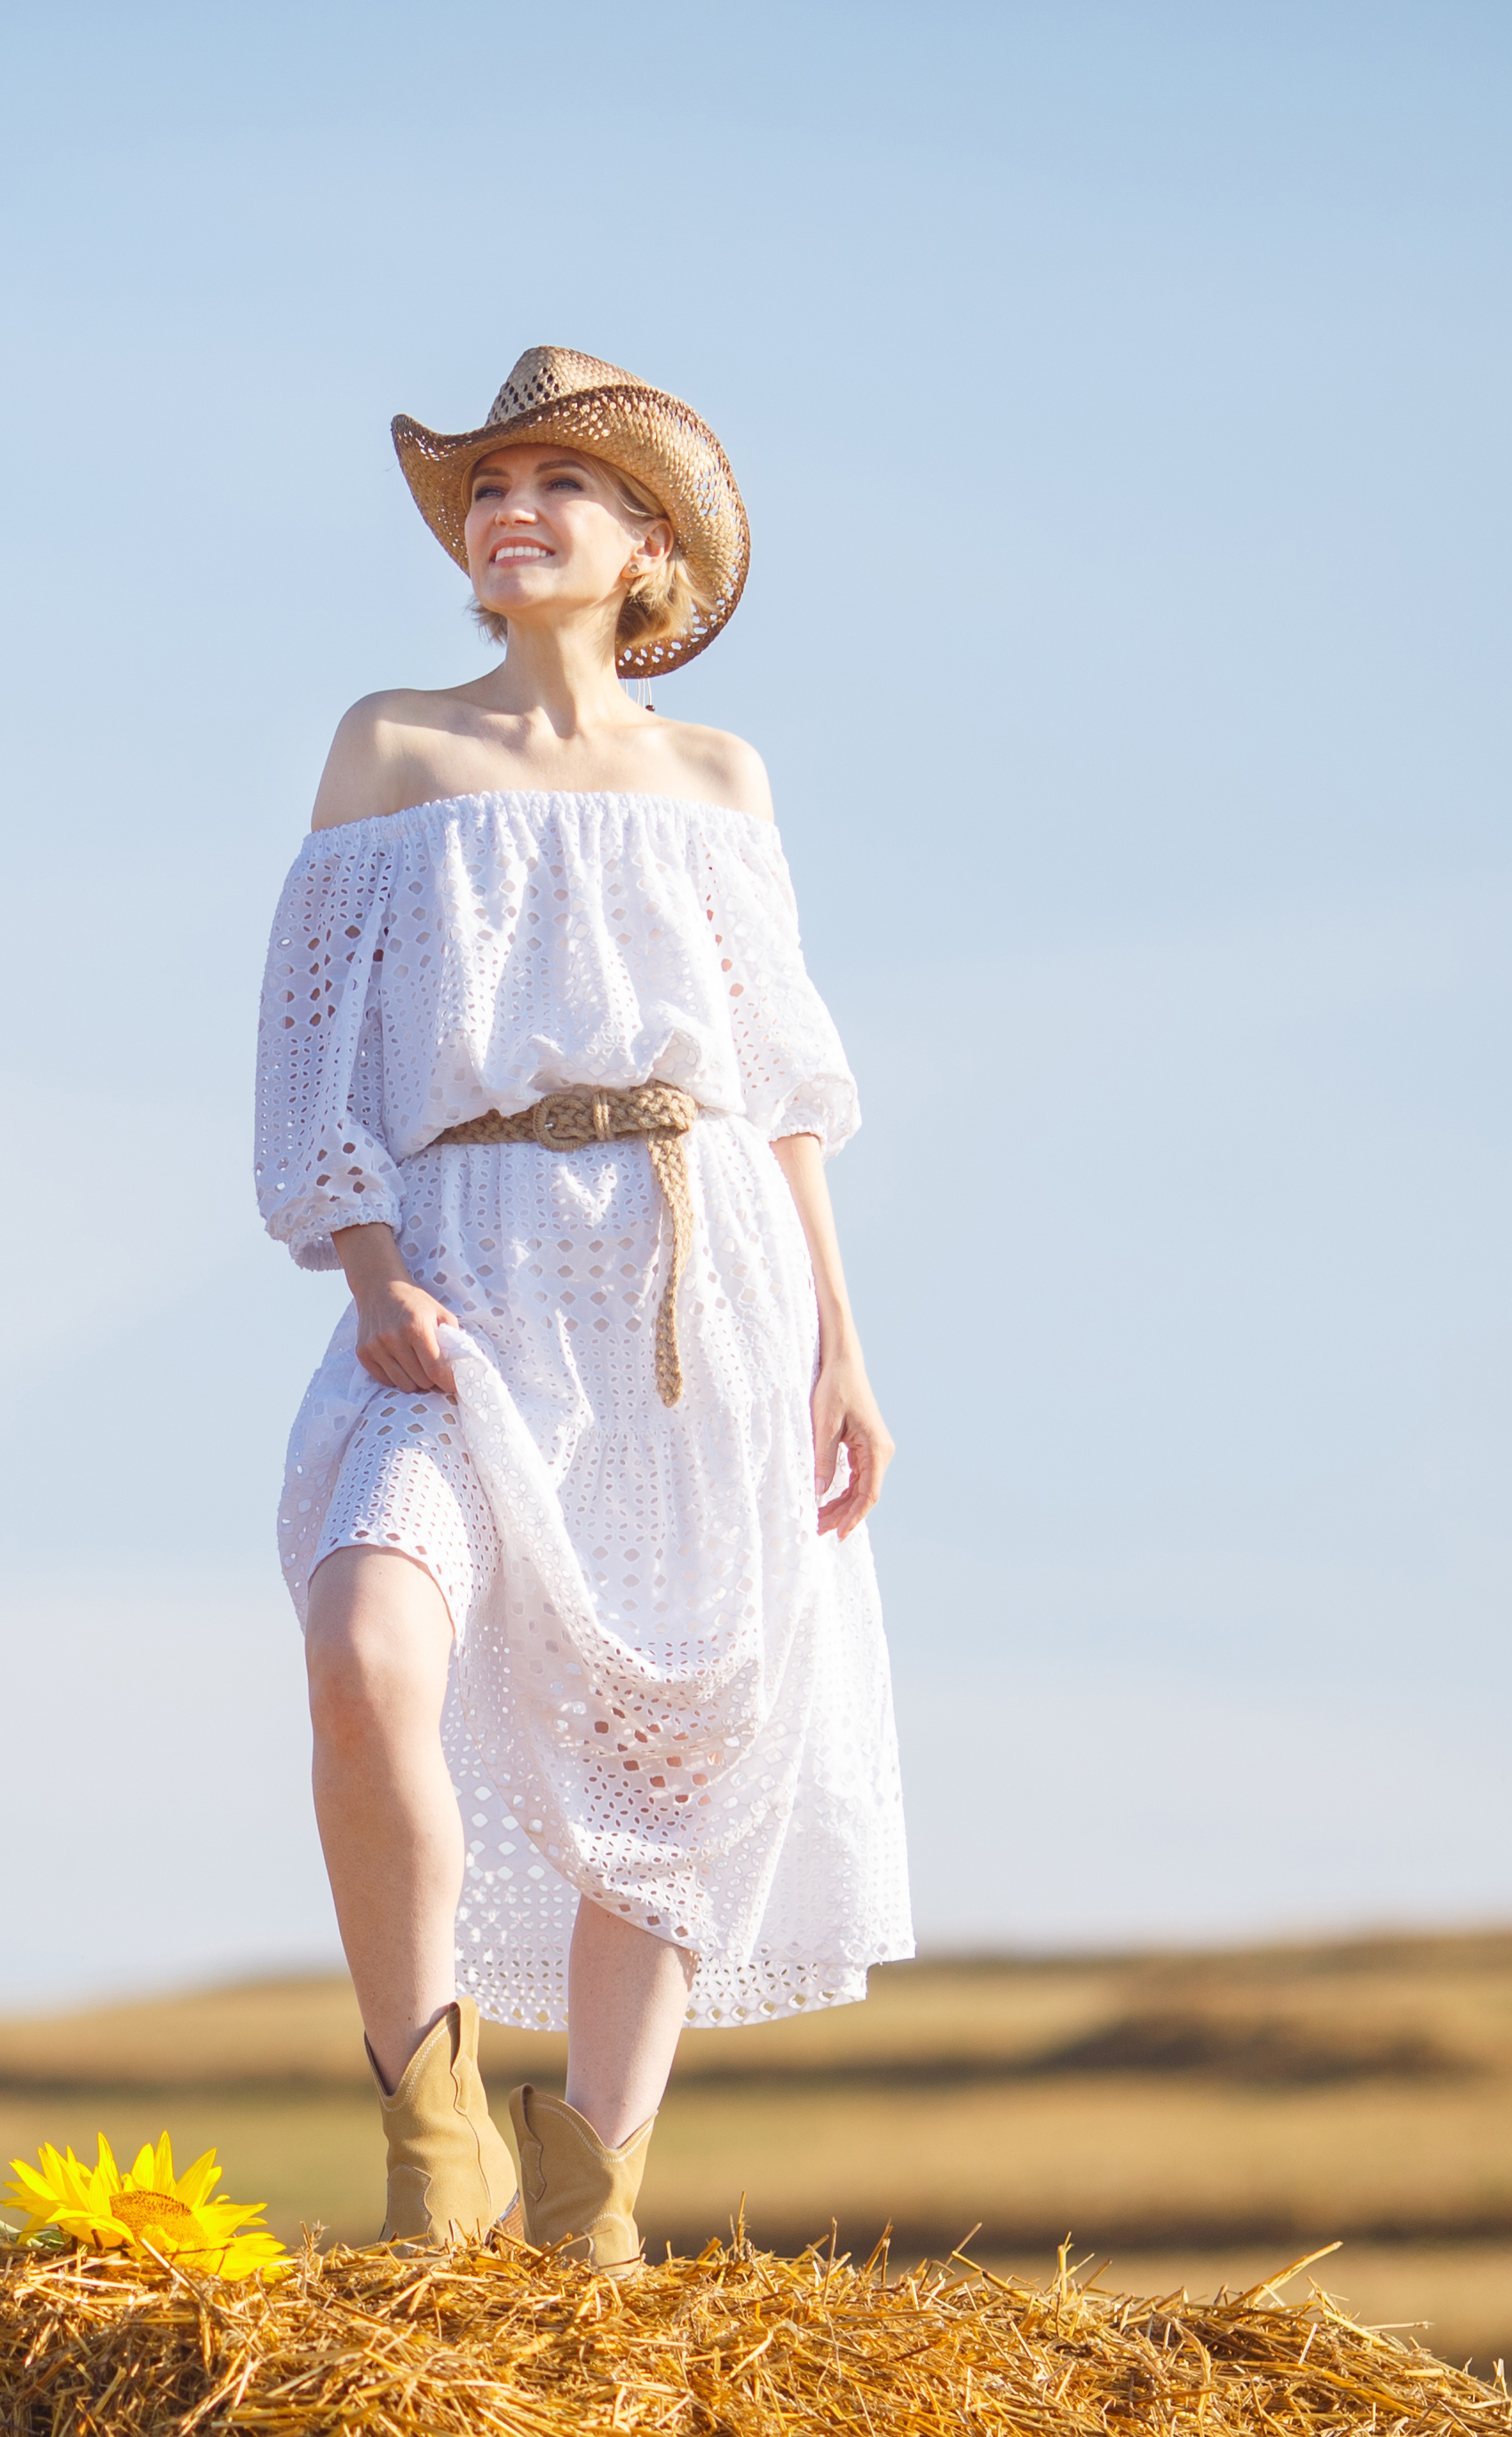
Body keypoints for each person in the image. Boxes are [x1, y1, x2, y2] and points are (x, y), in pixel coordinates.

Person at [256, 347, 914, 2270]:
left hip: (699, 1276)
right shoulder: (391, 749)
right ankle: (428, 2120)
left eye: (559, 483)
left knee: (682, 1735)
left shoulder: (721, 781)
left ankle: (594, 2194)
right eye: (487, 484)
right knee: (370, 1641)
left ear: (650, 554)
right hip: (456, 1266)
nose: (509, 506)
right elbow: (313, 1062)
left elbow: (784, 1092)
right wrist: (368, 1265)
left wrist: (844, 1351)